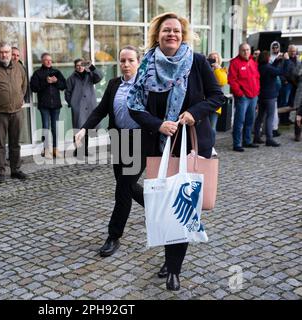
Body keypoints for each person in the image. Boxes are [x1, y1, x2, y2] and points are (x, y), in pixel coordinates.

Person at [127, 12, 225, 291]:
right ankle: (170, 259)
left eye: (177, 31)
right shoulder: (146, 64)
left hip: (191, 146)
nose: (172, 34)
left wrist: (195, 113)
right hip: (161, 146)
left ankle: (173, 268)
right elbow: (135, 106)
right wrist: (158, 125)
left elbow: (217, 96)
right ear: (157, 34)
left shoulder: (196, 61)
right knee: (153, 197)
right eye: (166, 30)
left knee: (181, 205)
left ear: (183, 35)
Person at [75, 46, 144, 258]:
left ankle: (113, 236)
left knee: (123, 188)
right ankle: (156, 207)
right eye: (123, 60)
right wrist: (84, 128)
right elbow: (101, 110)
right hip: (119, 140)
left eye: (130, 60)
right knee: (127, 185)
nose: (126, 64)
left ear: (138, 62)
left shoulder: (146, 85)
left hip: (140, 141)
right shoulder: (114, 84)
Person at [0, 41, 28, 184]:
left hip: (16, 112)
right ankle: (0, 172)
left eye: (7, 52)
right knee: (0, 144)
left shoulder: (19, 67)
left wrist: (19, 99)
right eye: (2, 52)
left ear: (10, 53)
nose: (4, 55)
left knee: (15, 143)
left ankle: (15, 170)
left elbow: (24, 86)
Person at [30, 53, 66, 158]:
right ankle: (46, 150)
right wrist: (46, 82)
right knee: (46, 127)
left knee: (55, 128)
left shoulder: (57, 72)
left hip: (56, 105)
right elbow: (34, 88)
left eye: (50, 60)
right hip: (44, 105)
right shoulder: (37, 73)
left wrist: (56, 81)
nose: (49, 61)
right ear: (42, 61)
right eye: (46, 60)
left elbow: (64, 86)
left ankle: (55, 149)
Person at [65, 58, 103, 157]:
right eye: (77, 65)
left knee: (87, 128)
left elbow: (99, 77)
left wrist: (91, 66)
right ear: (75, 67)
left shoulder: (90, 75)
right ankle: (78, 150)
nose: (80, 67)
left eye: (81, 65)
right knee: (78, 129)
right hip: (78, 107)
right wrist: (72, 104)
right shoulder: (71, 78)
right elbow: (67, 93)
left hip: (89, 106)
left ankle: (84, 150)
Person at [228, 43, 260, 152]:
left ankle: (247, 141)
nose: (246, 52)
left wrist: (257, 91)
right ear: (239, 51)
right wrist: (240, 93)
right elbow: (232, 80)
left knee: (250, 120)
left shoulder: (253, 62)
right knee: (239, 120)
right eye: (243, 50)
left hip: (253, 96)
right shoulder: (235, 63)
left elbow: (257, 77)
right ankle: (237, 144)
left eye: (247, 50)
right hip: (243, 97)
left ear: (250, 51)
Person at [253, 51, 289, 147]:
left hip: (261, 95)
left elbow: (271, 68)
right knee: (270, 117)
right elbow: (281, 72)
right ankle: (269, 138)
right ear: (267, 58)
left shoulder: (260, 67)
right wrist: (286, 61)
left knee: (260, 116)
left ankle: (256, 136)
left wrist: (277, 61)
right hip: (270, 96)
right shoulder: (268, 68)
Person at [207, 51, 228, 156]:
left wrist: (217, 69)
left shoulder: (221, 70)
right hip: (204, 101)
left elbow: (222, 82)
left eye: (215, 58)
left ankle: (211, 146)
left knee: (212, 127)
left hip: (214, 103)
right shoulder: (205, 68)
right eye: (211, 58)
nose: (213, 60)